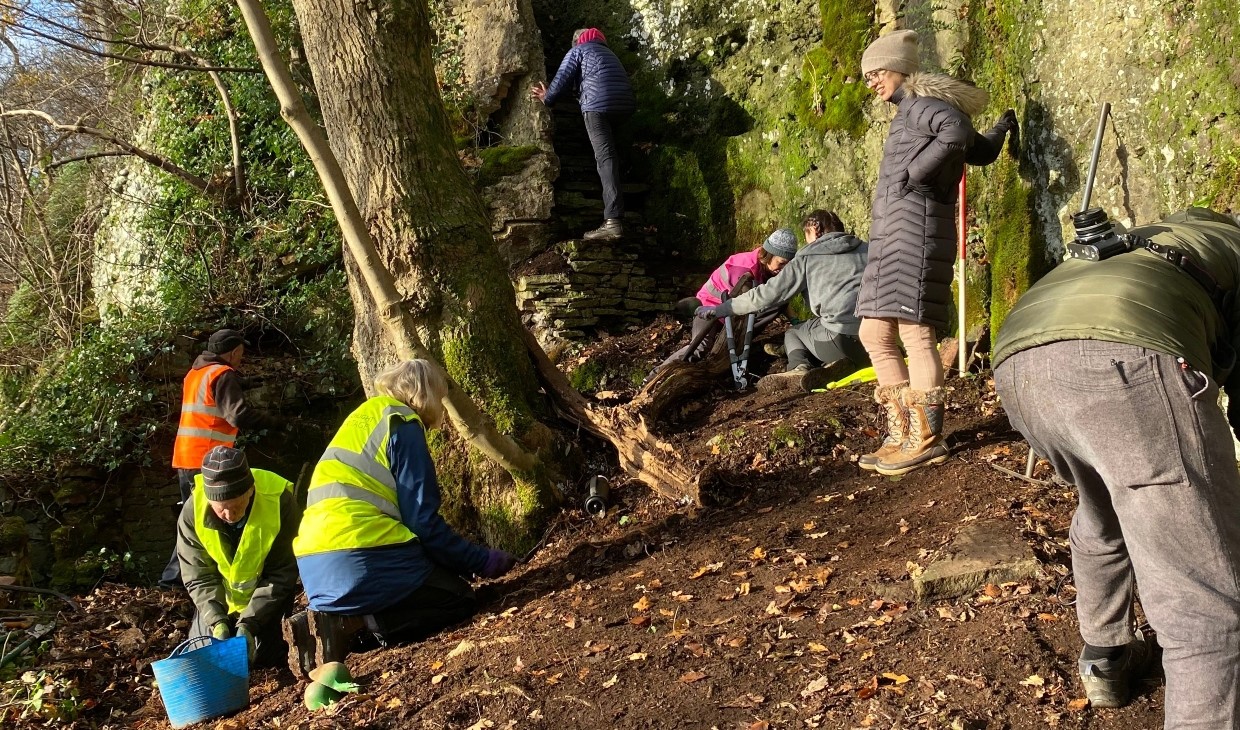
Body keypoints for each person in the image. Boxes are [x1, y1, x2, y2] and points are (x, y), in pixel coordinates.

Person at [992, 208, 1240, 726]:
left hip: (1019, 362)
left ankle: (1105, 654)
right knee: (1204, 608)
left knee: (1103, 506)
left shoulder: (1175, 234)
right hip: (1128, 360)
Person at [854, 29, 1018, 475]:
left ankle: (926, 438)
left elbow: (957, 131)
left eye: (877, 72)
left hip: (916, 237)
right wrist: (1002, 130)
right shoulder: (909, 111)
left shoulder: (922, 105)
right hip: (894, 239)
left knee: (915, 334)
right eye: (867, 76)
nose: (871, 82)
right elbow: (979, 149)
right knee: (874, 333)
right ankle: (901, 430)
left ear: (900, 69)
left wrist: (916, 176)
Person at [292, 359, 517, 654]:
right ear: (426, 394)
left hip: (314, 569)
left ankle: (338, 620)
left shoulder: (364, 418)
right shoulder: (403, 423)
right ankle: (358, 626)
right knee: (458, 598)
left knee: (428, 581)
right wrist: (479, 560)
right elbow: (423, 524)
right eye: (440, 397)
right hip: (361, 556)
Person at [698, 211, 871, 393]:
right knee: (814, 326)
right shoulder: (868, 249)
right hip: (880, 338)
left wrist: (722, 309)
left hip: (842, 339)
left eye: (806, 235)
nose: (807, 242)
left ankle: (799, 368)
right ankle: (840, 363)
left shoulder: (808, 257)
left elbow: (764, 296)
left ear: (813, 230)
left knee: (794, 333)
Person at [162, 328, 274, 588]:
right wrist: (276, 423)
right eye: (241, 353)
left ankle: (176, 581)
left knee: (192, 519)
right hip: (208, 462)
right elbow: (237, 415)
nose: (241, 358)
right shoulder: (223, 375)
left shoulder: (195, 373)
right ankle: (174, 581)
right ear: (234, 351)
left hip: (187, 457)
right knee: (202, 521)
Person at [176, 446, 298, 667]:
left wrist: (250, 623)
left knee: (262, 660)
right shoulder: (192, 511)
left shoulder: (279, 501)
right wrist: (217, 622)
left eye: (236, 505)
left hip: (266, 602)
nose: (230, 515)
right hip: (219, 602)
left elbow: (282, 572)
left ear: (250, 490)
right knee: (205, 660)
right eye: (221, 509)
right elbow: (199, 576)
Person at [532, 28, 635, 241]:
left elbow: (562, 79)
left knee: (605, 158)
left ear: (577, 41)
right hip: (624, 107)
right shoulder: (609, 54)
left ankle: (613, 221)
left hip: (597, 107)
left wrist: (547, 97)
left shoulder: (579, 51)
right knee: (611, 155)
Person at [656, 228, 798, 371]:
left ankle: (738, 342)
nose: (784, 268)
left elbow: (780, 298)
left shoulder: (769, 269)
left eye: (788, 264)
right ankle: (656, 375)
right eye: (781, 263)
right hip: (709, 307)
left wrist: (796, 322)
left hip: (733, 310)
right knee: (700, 347)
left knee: (776, 302)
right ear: (768, 255)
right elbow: (748, 303)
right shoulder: (744, 270)